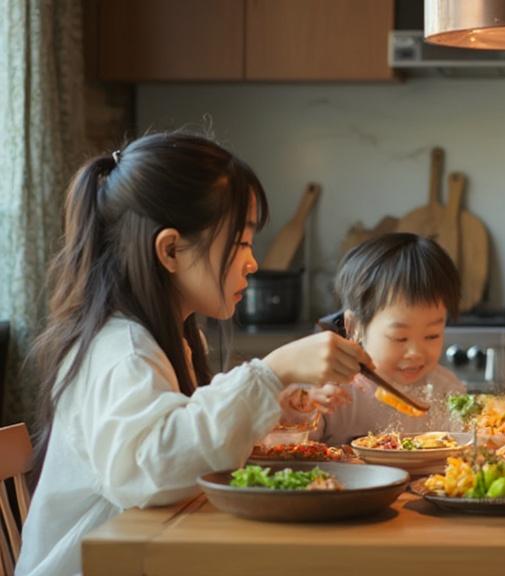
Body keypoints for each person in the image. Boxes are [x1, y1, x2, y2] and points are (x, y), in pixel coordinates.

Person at [16, 133, 370, 576]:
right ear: (170, 250)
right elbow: (150, 472)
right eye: (240, 243)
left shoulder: (169, 338)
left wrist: (271, 404)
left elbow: (180, 433)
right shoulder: (120, 348)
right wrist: (270, 371)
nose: (253, 263)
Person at [277, 233, 466, 444]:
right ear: (354, 326)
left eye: (432, 335)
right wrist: (304, 406)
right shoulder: (329, 390)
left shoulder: (448, 391)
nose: (415, 352)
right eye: (400, 337)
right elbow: (285, 448)